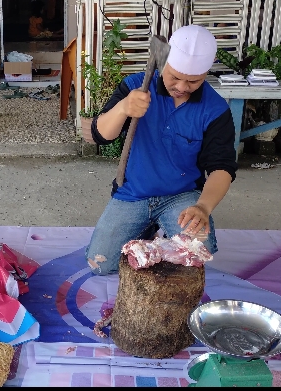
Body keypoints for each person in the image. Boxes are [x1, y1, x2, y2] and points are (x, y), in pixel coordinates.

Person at [85, 25, 238, 275]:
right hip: (134, 192)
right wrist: (123, 107)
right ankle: (147, 229)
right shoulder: (136, 86)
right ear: (163, 63)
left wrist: (203, 207)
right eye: (174, 77)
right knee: (100, 265)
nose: (181, 87)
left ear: (206, 73)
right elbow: (99, 135)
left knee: (198, 252)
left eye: (193, 81)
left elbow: (222, 167)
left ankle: (162, 227)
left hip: (182, 195)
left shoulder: (215, 109)